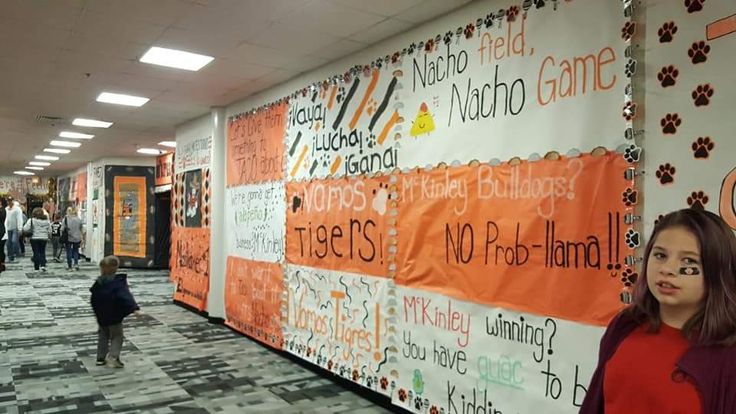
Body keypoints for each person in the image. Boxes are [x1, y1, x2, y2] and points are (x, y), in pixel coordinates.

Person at [581, 208, 736, 414]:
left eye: (688, 261)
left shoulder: (728, 356)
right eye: (660, 255)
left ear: (717, 271)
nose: (667, 269)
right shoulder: (625, 324)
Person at [90, 255, 141, 368]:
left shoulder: (98, 284)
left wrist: (97, 313)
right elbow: (125, 297)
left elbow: (93, 300)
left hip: (101, 316)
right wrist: (134, 309)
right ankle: (113, 357)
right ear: (116, 268)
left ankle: (100, 357)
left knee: (103, 335)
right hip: (114, 316)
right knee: (117, 336)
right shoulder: (118, 283)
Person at [23, 207, 51, 272]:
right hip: (44, 238)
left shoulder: (31, 220)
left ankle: (37, 266)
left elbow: (25, 228)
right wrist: (48, 235)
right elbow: (50, 230)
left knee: (36, 252)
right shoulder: (47, 221)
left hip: (34, 238)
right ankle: (43, 265)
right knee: (42, 251)